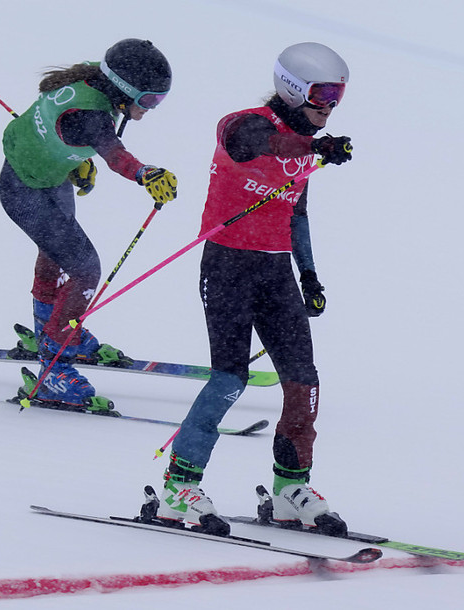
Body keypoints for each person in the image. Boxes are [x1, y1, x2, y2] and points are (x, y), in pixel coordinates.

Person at [155, 42, 353, 535]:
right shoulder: (242, 125)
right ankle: (179, 487)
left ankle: (290, 490)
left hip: (275, 270)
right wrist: (314, 148)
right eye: (322, 94)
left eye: (338, 96)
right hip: (227, 266)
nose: (330, 106)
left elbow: (297, 213)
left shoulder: (306, 146)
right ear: (293, 88)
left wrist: (309, 275)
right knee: (229, 379)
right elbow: (264, 144)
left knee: (304, 382)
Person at [0, 39, 178, 409]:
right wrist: (145, 173)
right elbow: (115, 153)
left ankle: (49, 330)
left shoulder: (94, 77)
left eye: (158, 101)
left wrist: (77, 158)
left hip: (47, 175)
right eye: (147, 101)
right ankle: (53, 366)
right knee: (85, 269)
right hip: (24, 190)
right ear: (123, 90)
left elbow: (65, 127)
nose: (149, 110)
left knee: (57, 255)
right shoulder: (91, 117)